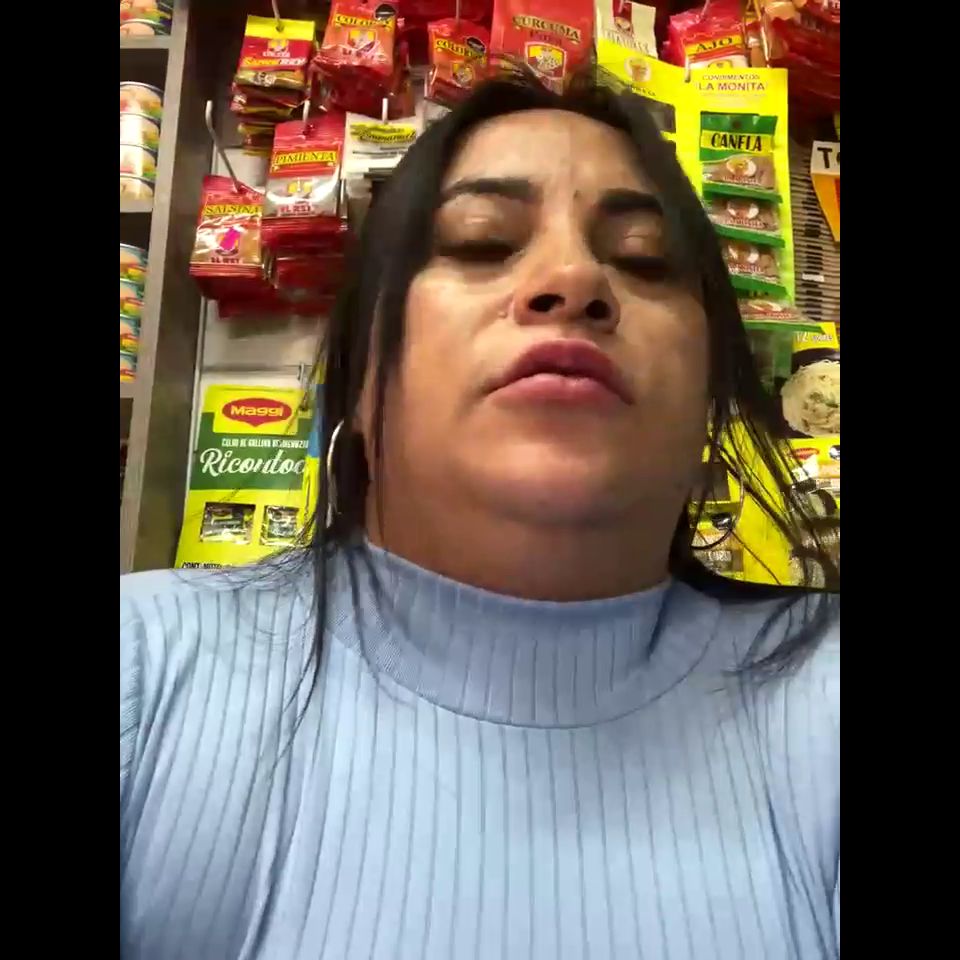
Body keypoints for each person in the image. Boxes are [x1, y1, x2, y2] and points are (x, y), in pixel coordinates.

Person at [120, 75, 839, 960]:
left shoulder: (824, 698)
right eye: (481, 241)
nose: (574, 279)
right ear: (363, 381)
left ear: (707, 411)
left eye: (645, 259)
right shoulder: (144, 672)